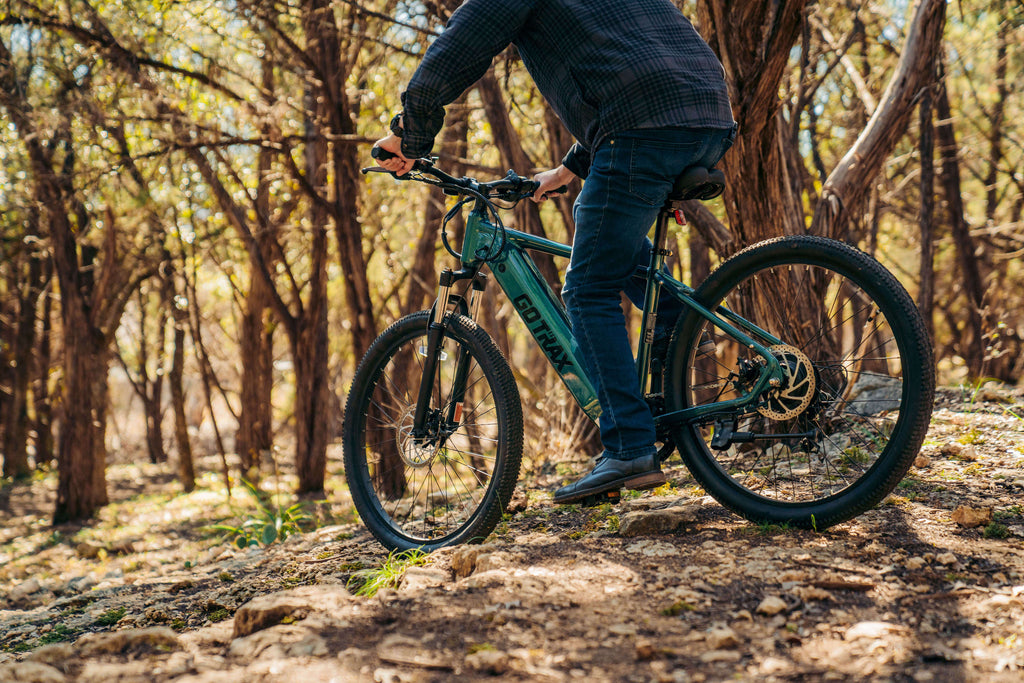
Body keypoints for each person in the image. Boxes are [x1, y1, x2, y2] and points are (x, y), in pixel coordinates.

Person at [374, 0, 736, 504]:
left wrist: (410, 134)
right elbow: (633, 68)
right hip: (707, 117)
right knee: (610, 242)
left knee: (588, 289)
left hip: (638, 128)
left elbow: (460, 47)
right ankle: (681, 324)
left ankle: (630, 446)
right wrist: (568, 168)